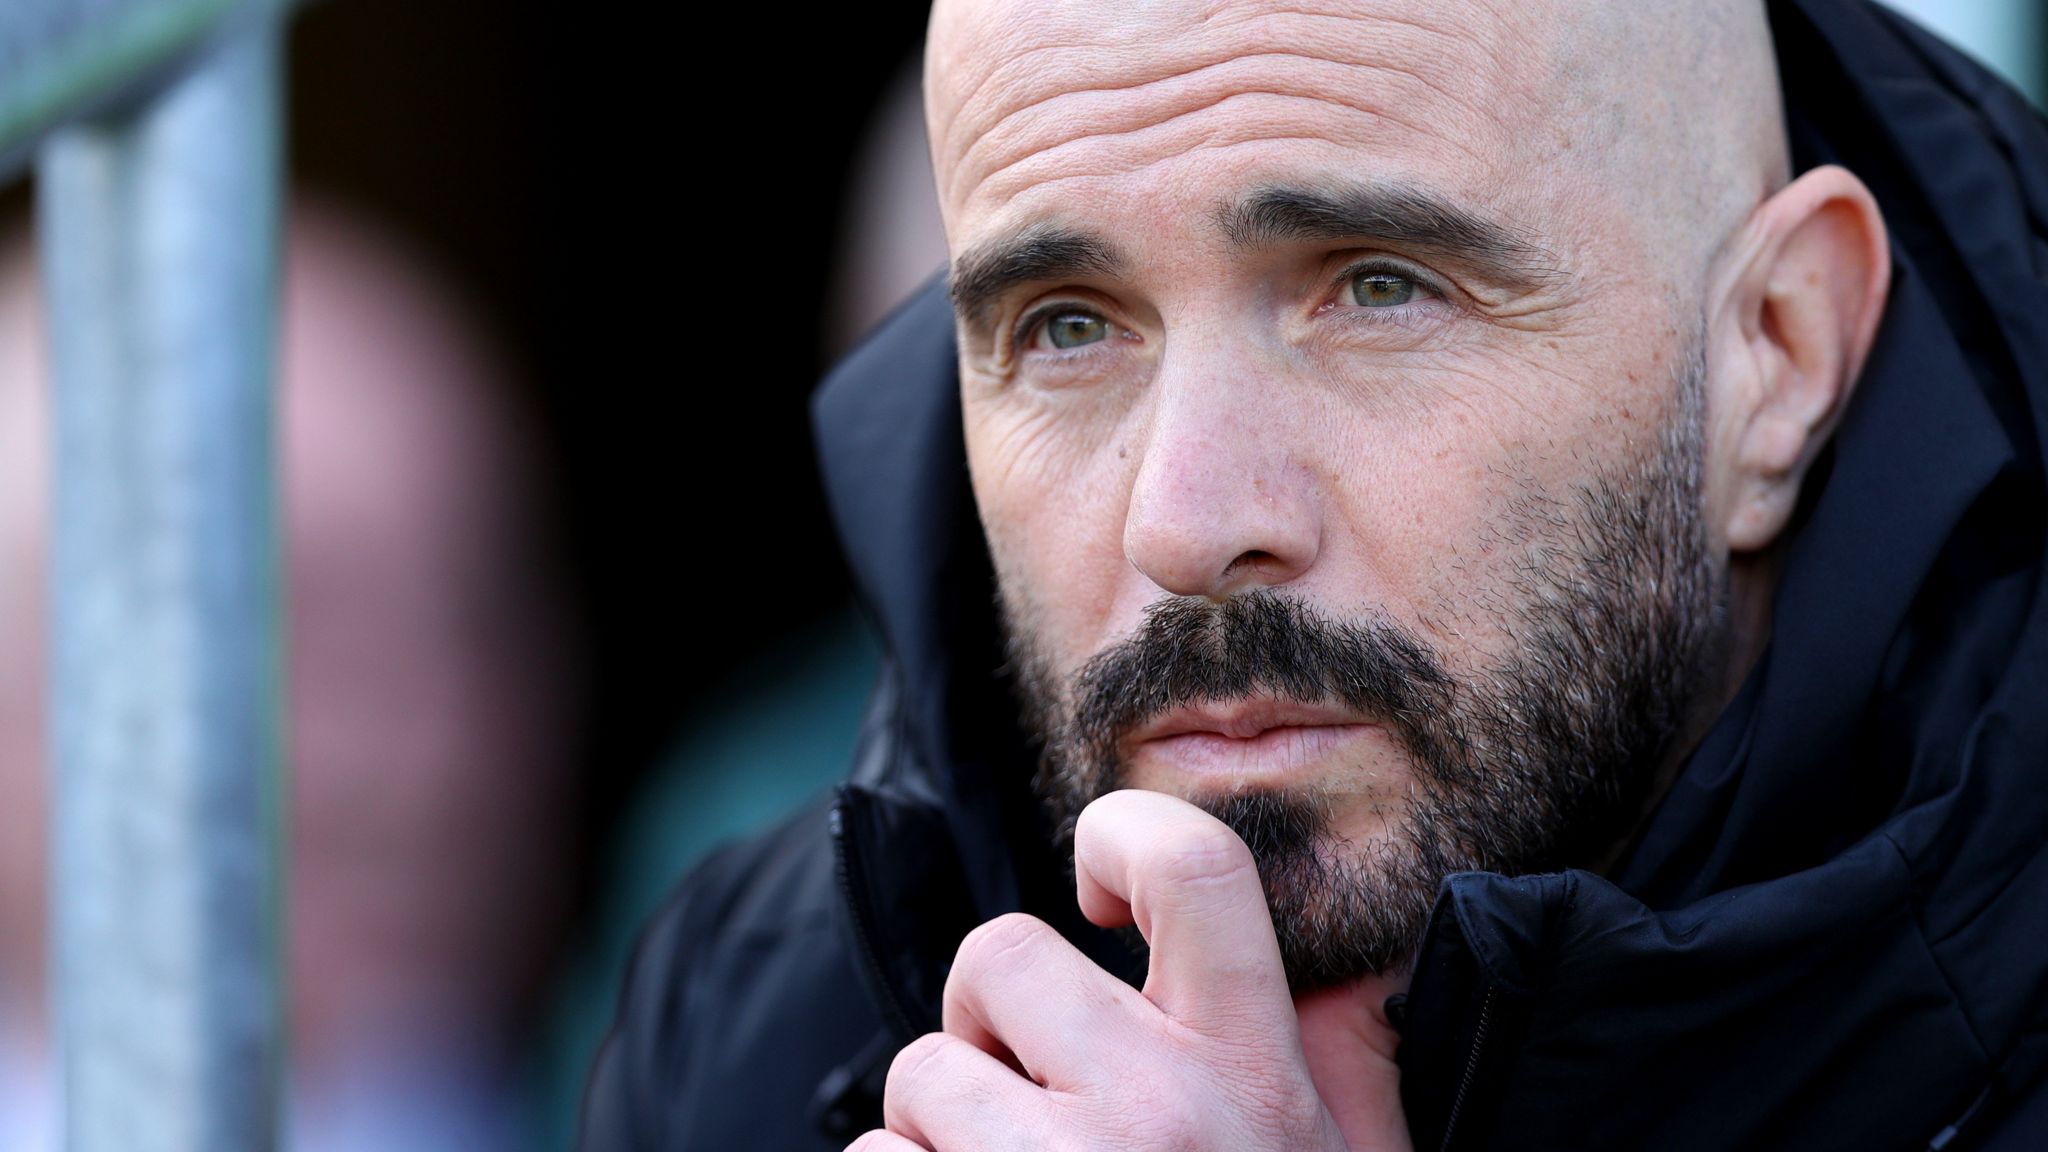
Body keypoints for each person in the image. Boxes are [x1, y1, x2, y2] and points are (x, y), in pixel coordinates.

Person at [579, 0, 2048, 1147]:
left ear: (1776, 353)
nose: (1186, 520)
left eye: (1378, 287)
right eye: (1068, 325)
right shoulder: (762, 1022)